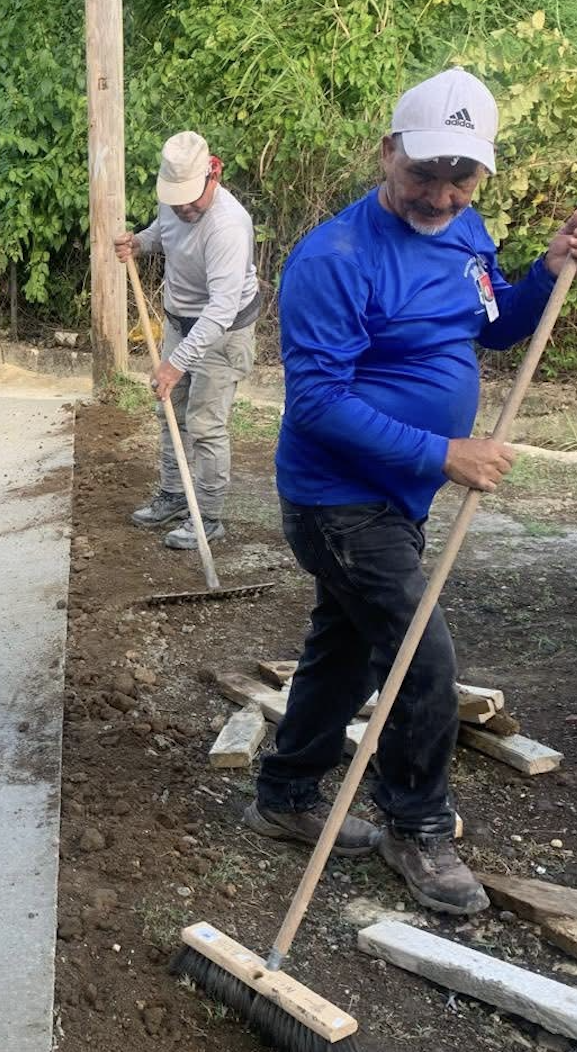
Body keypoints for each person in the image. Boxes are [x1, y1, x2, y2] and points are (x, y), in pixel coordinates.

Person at [246, 68, 577, 914]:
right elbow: (316, 403)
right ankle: (416, 825)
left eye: (460, 178)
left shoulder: (466, 231)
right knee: (420, 659)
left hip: (397, 499)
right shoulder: (333, 259)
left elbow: (490, 323)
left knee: (344, 647)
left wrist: (545, 274)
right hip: (336, 502)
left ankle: (283, 794)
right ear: (387, 151)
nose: (440, 194)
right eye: (424, 172)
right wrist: (443, 454)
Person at [114, 131, 261, 550]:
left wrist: (175, 364)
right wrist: (139, 242)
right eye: (176, 201)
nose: (184, 208)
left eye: (191, 200)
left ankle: (208, 518)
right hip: (180, 322)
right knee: (169, 413)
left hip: (223, 331)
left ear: (213, 176)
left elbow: (221, 309)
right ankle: (175, 496)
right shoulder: (174, 201)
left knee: (205, 425)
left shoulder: (228, 226)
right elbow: (163, 232)